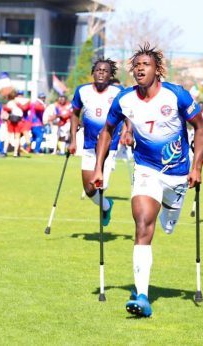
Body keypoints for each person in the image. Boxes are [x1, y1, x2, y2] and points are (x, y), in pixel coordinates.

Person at [91, 43, 203, 318]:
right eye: (136, 65)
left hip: (178, 174)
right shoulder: (124, 99)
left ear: (157, 70)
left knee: (168, 226)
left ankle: (170, 212)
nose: (140, 69)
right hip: (145, 169)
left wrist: (198, 166)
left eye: (146, 65)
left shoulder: (176, 95)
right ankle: (142, 295)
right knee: (142, 222)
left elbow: (200, 129)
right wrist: (98, 167)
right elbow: (107, 131)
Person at [69, 58, 122, 226]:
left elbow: (127, 113)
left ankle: (104, 204)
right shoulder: (82, 91)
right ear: (93, 72)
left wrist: (128, 132)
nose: (101, 72)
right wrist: (72, 140)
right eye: (98, 70)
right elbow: (75, 114)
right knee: (89, 189)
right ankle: (107, 206)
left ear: (110, 75)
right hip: (89, 146)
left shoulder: (118, 92)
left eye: (105, 71)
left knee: (100, 185)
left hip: (110, 147)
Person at [3, 91, 25, 157]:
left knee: (8, 136)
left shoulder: (10, 102)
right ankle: (15, 153)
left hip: (11, 119)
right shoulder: (22, 102)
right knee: (17, 137)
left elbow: (7, 110)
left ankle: (4, 151)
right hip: (19, 120)